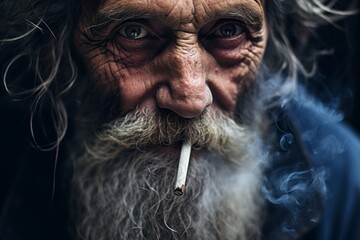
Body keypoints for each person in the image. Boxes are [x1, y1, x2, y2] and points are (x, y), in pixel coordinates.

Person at [0, 0, 359, 239]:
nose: (190, 98)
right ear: (55, 55)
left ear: (271, 47)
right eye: (133, 32)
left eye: (229, 31)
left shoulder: (343, 183)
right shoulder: (10, 157)